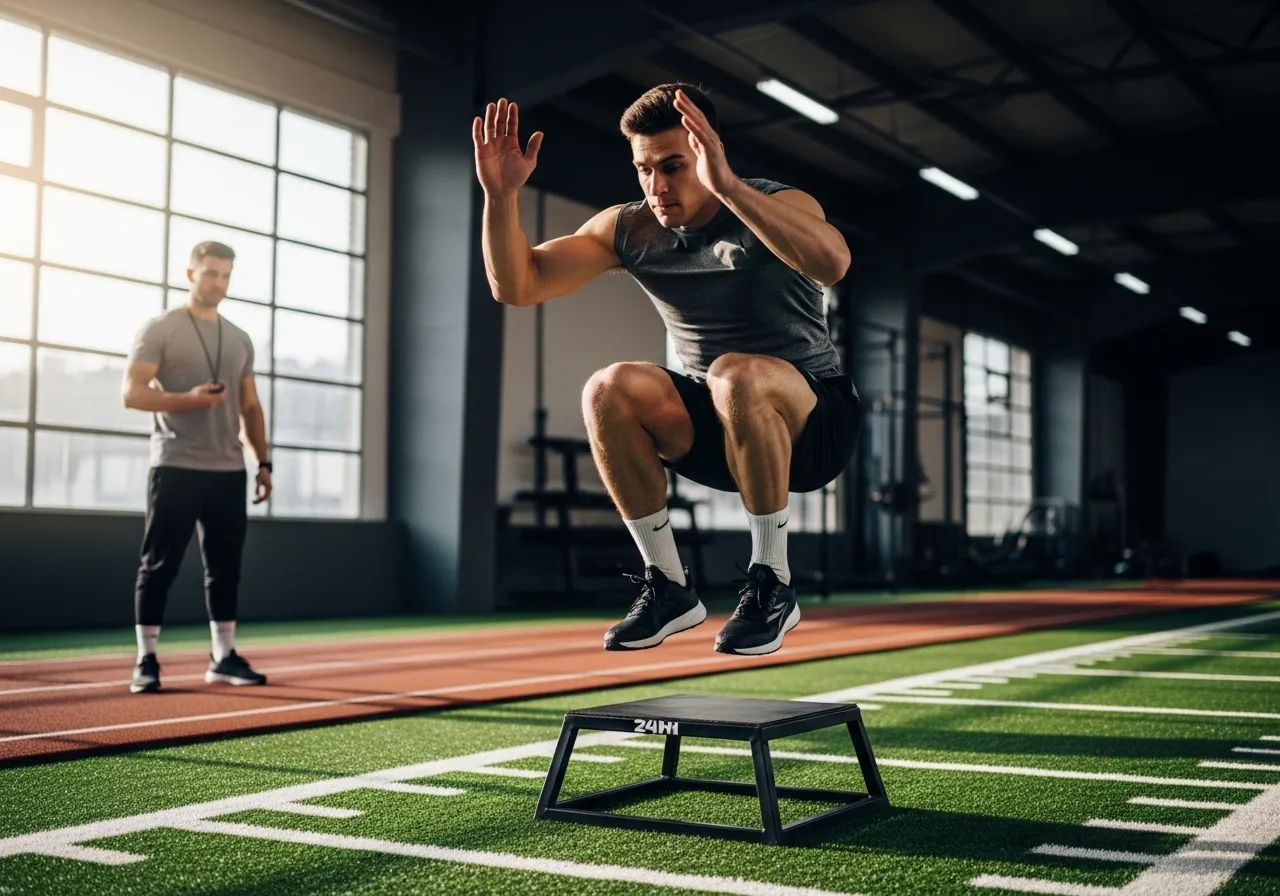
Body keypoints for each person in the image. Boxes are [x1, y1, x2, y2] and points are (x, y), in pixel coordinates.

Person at [473, 83, 860, 656]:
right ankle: (669, 588)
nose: (657, 186)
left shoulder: (780, 202)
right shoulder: (629, 229)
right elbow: (518, 284)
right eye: (643, 169)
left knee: (736, 372)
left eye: (673, 166)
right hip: (720, 425)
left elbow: (833, 263)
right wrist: (501, 198)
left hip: (813, 422)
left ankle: (773, 582)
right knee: (609, 388)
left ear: (709, 152)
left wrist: (728, 188)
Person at [121, 240, 272, 693]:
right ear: (191, 274)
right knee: (159, 565)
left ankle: (223, 657)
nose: (219, 283)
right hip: (176, 463)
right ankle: (146, 660)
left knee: (225, 568)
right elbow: (132, 393)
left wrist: (262, 462)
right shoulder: (160, 329)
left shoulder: (240, 338)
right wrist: (186, 400)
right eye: (210, 274)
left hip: (228, 469)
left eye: (226, 275)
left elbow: (250, 406)